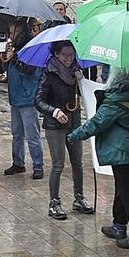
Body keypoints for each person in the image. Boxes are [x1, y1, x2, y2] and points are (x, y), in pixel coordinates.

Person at [69, 65, 129, 251]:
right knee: (123, 187)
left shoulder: (115, 100)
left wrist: (74, 135)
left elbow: (97, 123)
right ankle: (119, 224)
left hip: (123, 151)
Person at [35, 38, 90, 220]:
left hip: (74, 122)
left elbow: (85, 95)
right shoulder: (49, 73)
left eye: (71, 54)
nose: (68, 58)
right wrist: (54, 111)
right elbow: (38, 101)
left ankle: (79, 198)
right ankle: (54, 202)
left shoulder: (77, 72)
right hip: (55, 125)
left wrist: (83, 84)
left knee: (78, 163)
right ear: (56, 54)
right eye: (64, 55)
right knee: (58, 164)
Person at [5, 37, 44, 181]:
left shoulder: (31, 50)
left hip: (27, 98)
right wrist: (6, 56)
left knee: (32, 135)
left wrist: (14, 58)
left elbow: (28, 70)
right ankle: (18, 162)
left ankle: (38, 165)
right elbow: (5, 69)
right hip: (15, 98)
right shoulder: (14, 50)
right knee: (17, 134)